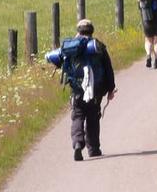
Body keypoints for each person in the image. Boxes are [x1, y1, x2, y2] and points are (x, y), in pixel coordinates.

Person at [49, 19, 116, 161]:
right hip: (96, 90)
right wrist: (111, 88)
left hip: (77, 89)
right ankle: (94, 149)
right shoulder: (98, 46)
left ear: (78, 31)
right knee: (93, 118)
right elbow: (108, 69)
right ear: (92, 30)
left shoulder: (70, 47)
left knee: (78, 116)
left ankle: (78, 143)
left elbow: (56, 60)